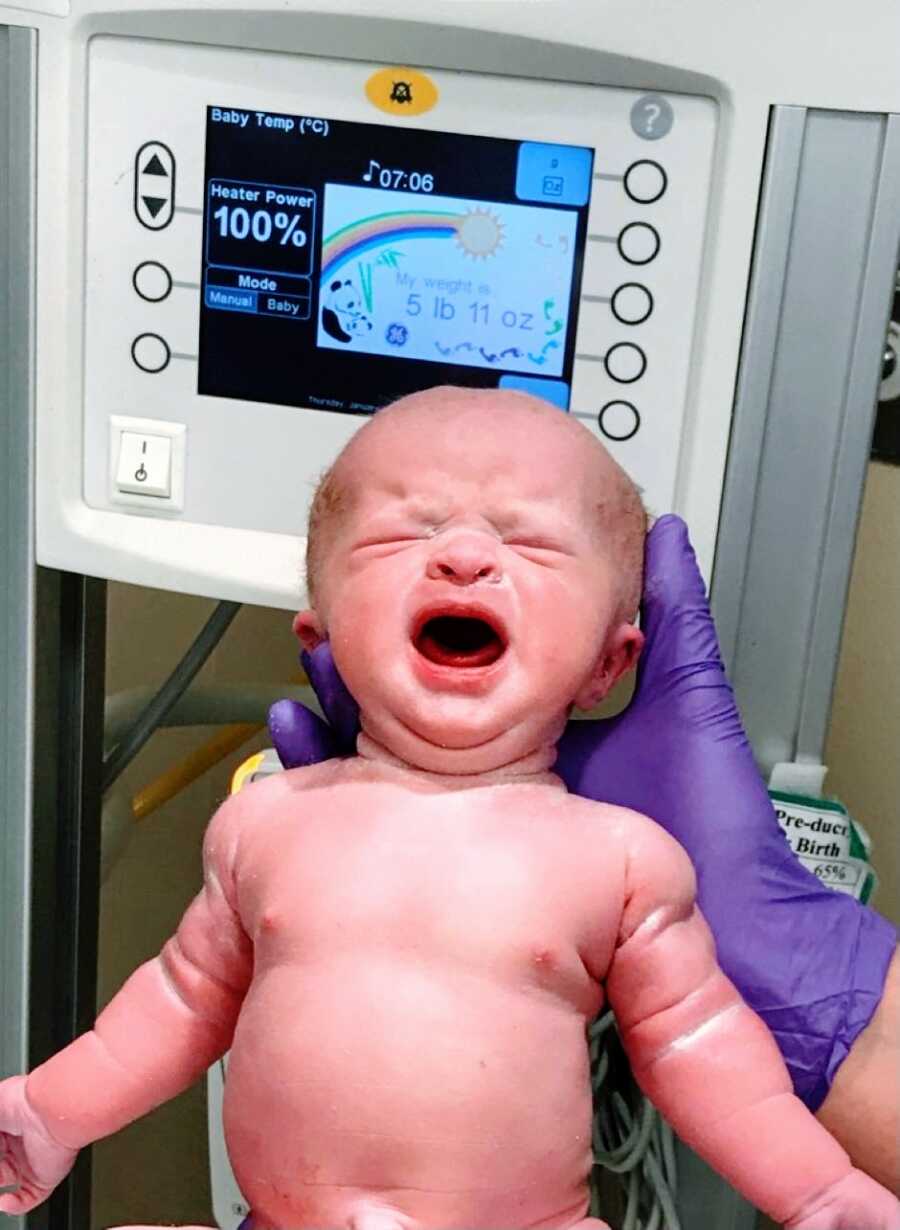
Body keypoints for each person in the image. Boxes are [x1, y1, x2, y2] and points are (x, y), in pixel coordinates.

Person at [0, 387, 896, 1230]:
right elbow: (179, 999)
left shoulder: (621, 859)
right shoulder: (265, 821)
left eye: (531, 543)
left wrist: (818, 1191)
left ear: (607, 665)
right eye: (402, 534)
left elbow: (698, 1045)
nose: (463, 556)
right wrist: (49, 1110)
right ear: (319, 633)